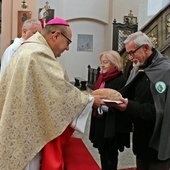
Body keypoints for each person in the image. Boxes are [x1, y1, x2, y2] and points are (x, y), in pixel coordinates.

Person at [0, 17, 105, 170]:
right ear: (56, 35)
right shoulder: (38, 53)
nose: (68, 48)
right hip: (27, 132)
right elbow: (59, 91)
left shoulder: (26, 49)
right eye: (68, 42)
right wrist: (89, 101)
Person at [107, 31, 170, 170]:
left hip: (158, 141)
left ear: (146, 48)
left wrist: (129, 106)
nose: (129, 58)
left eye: (132, 53)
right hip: (141, 140)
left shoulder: (165, 71)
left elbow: (159, 110)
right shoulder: (138, 69)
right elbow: (129, 94)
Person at [89, 50, 132, 170]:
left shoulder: (120, 80)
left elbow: (122, 104)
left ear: (114, 63)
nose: (102, 65)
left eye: (105, 62)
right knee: (103, 152)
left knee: (111, 155)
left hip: (112, 125)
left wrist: (103, 104)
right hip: (100, 121)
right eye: (101, 62)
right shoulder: (102, 78)